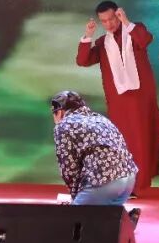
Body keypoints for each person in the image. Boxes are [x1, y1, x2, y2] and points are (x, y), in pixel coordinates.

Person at [76, 1, 159, 198]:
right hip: (117, 100)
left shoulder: (135, 30)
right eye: (104, 21)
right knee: (120, 142)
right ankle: (124, 184)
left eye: (112, 19)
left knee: (141, 139)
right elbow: (83, 61)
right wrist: (88, 35)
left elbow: (145, 40)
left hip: (140, 97)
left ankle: (136, 185)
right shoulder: (102, 43)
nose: (109, 24)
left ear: (119, 14)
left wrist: (127, 22)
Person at [51, 91, 141, 225]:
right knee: (99, 217)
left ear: (59, 111)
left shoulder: (64, 125)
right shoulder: (101, 119)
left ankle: (119, 222)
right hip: (129, 179)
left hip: (103, 183)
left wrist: (76, 198)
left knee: (70, 225)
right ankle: (121, 222)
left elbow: (69, 168)